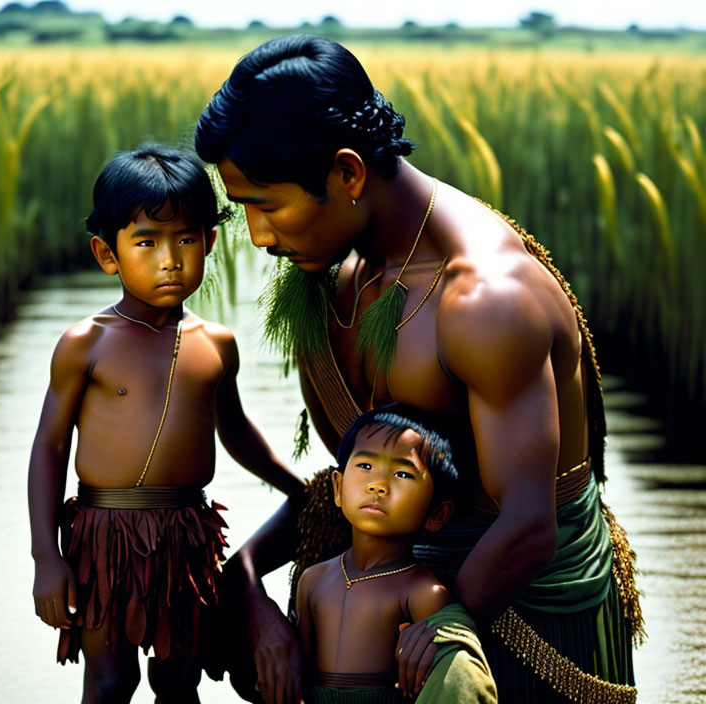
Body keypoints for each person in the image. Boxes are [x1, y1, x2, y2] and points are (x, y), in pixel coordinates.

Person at [195, 35, 641, 704]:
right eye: (245, 208)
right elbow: (358, 481)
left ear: (348, 174)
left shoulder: (486, 300)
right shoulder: (340, 273)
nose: (258, 236)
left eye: (270, 205)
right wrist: (247, 579)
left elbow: (526, 523)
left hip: (530, 632)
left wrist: (384, 638)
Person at [26, 144, 305, 704]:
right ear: (108, 255)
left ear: (209, 241)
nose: (169, 259)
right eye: (146, 242)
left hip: (186, 534)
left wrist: (297, 487)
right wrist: (46, 557)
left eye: (185, 239)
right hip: (106, 534)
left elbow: (237, 430)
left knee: (180, 680)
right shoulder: (87, 344)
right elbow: (50, 448)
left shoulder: (215, 345)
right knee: (111, 682)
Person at [296, 405, 497, 704]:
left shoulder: (421, 593)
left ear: (438, 513)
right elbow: (300, 672)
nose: (377, 485)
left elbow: (443, 679)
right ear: (337, 488)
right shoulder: (312, 580)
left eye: (402, 473)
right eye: (365, 466)